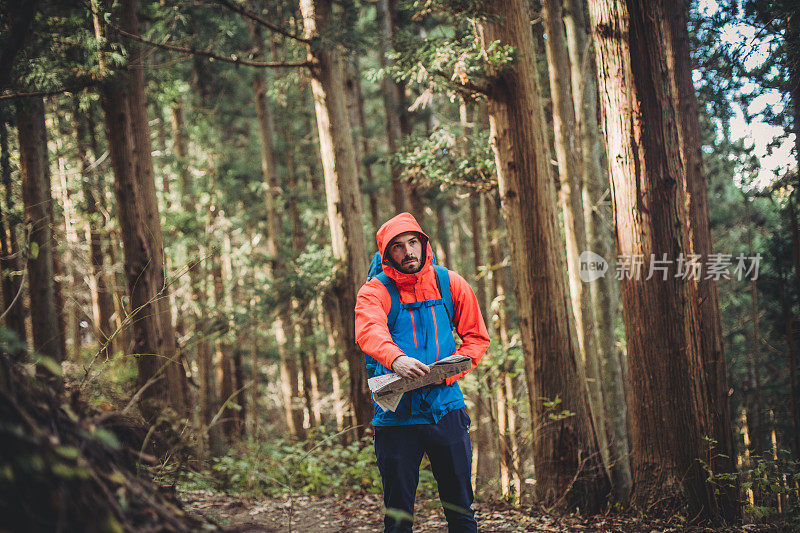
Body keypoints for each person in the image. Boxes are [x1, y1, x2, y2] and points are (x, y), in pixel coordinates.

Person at [355, 212, 490, 532]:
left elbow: (477, 338)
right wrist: (395, 358)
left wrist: (450, 372)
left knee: (461, 510)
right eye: (398, 247)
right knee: (398, 515)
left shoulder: (449, 282)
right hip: (396, 418)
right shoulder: (374, 292)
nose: (408, 251)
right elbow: (369, 331)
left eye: (413, 242)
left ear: (424, 244)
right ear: (387, 254)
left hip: (447, 411)